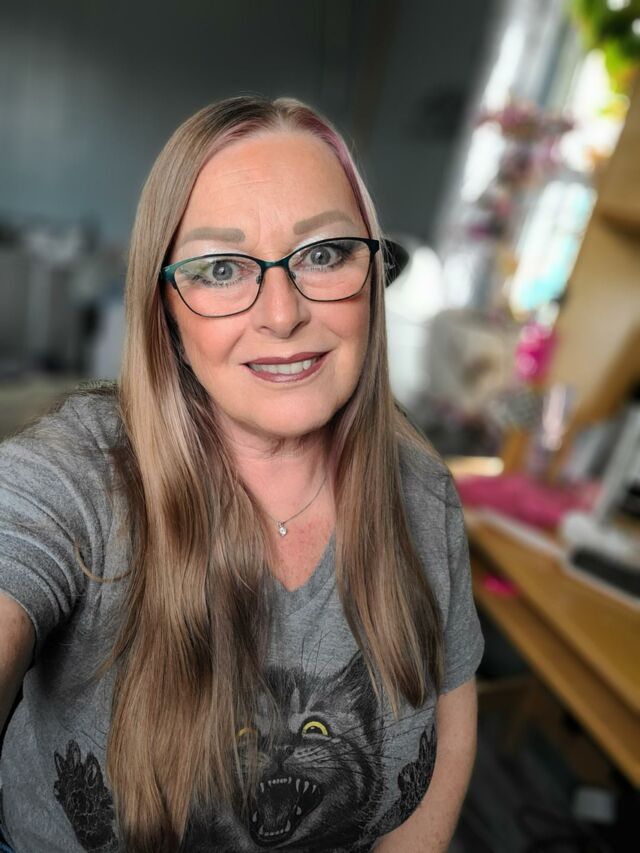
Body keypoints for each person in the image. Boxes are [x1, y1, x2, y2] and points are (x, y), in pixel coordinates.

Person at [0, 96, 483, 853]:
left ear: (372, 275)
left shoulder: (424, 496)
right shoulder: (74, 479)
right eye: (221, 268)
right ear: (166, 310)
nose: (282, 314)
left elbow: (446, 742)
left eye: (324, 253)